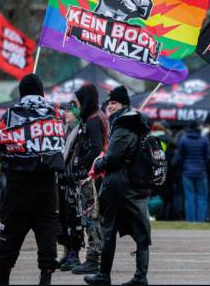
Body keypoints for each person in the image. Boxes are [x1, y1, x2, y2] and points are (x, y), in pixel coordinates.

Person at [0, 74, 65, 286]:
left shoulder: (12, 113)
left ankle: (2, 276)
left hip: (20, 182)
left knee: (12, 228)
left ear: (22, 91)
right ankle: (45, 278)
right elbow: (60, 146)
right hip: (46, 182)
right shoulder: (55, 114)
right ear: (42, 91)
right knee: (47, 230)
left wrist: (9, 160)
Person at [84, 86, 151, 286]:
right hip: (136, 183)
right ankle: (140, 276)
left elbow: (113, 157)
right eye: (109, 103)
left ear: (123, 105)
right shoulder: (137, 123)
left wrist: (98, 164)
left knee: (109, 229)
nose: (110, 106)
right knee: (141, 231)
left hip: (120, 186)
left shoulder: (124, 125)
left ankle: (105, 275)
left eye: (114, 103)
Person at [67, 84, 108, 275]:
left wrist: (81, 165)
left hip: (92, 176)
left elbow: (96, 148)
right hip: (98, 174)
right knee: (94, 216)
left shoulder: (92, 119)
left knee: (91, 216)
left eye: (77, 100)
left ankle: (93, 258)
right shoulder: (98, 115)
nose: (75, 104)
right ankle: (96, 255)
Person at [58, 103, 83, 272]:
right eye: (65, 110)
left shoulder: (81, 131)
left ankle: (74, 252)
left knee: (74, 218)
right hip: (61, 178)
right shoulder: (64, 129)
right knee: (63, 217)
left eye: (69, 111)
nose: (65, 113)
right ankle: (67, 250)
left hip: (74, 180)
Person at [174, 121, 210, 223]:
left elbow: (180, 157)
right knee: (202, 196)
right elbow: (208, 157)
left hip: (187, 172)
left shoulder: (183, 139)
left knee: (189, 197)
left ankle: (190, 220)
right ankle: (200, 220)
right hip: (201, 172)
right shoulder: (204, 139)